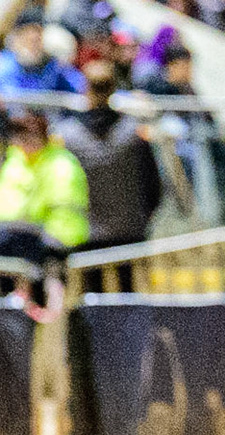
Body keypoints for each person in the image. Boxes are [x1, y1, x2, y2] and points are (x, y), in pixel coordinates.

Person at [56, 61, 164, 290]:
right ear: (114, 88)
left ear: (85, 88)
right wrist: (145, 216)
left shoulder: (67, 136)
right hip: (129, 227)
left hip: (86, 230)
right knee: (128, 294)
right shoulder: (133, 133)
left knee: (91, 297)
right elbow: (153, 183)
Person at [0, 109, 88, 250]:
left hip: (55, 246)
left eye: (31, 133)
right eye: (19, 133)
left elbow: (65, 221)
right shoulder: (13, 160)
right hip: (13, 241)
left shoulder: (61, 164)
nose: (24, 140)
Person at [0, 9, 84, 94]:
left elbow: (80, 85)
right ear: (17, 37)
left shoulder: (53, 67)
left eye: (37, 40)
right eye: (28, 40)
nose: (33, 47)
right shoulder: (4, 64)